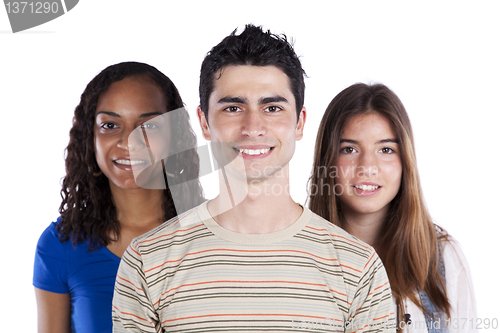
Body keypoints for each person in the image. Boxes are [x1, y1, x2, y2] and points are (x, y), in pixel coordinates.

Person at [112, 25, 396, 332]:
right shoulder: (147, 260)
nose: (253, 127)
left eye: (272, 107)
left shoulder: (358, 268)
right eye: (233, 108)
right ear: (204, 123)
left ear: (299, 123)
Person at [33, 61, 204, 333]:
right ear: (90, 137)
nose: (129, 141)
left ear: (175, 137)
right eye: (110, 125)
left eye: (149, 126)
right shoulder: (61, 245)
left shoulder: (216, 235)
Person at [308, 83, 477, 332]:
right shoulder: (298, 256)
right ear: (328, 160)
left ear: (405, 162)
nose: (367, 166)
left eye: (386, 149)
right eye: (349, 149)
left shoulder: (443, 260)